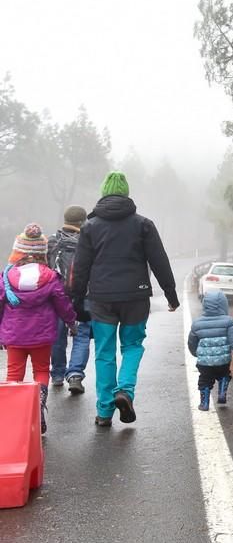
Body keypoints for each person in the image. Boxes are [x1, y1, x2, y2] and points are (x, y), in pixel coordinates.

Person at [71, 171, 180, 427]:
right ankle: (125, 392)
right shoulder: (143, 224)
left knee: (105, 352)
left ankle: (105, 411)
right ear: (126, 193)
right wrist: (171, 295)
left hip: (100, 298)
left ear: (104, 193)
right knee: (132, 346)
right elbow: (159, 261)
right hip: (135, 297)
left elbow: (81, 267)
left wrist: (76, 300)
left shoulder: (90, 227)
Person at [0, 224, 78, 434]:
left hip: (14, 336)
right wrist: (72, 322)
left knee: (14, 373)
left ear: (19, 253)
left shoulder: (7, 278)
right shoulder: (50, 277)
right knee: (41, 371)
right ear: (42, 253)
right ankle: (38, 404)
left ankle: (14, 417)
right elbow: (62, 303)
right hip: (42, 336)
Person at [48, 205, 89, 392]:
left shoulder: (53, 242)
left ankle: (57, 374)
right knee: (81, 335)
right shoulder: (88, 241)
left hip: (55, 296)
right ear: (83, 221)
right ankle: (75, 374)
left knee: (57, 335)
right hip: (82, 295)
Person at [187, 290, 233, 411]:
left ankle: (204, 403)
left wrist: (195, 353)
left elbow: (192, 342)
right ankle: (222, 392)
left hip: (204, 363)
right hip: (223, 361)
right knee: (224, 374)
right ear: (224, 305)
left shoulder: (197, 323)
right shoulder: (229, 321)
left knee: (204, 380)